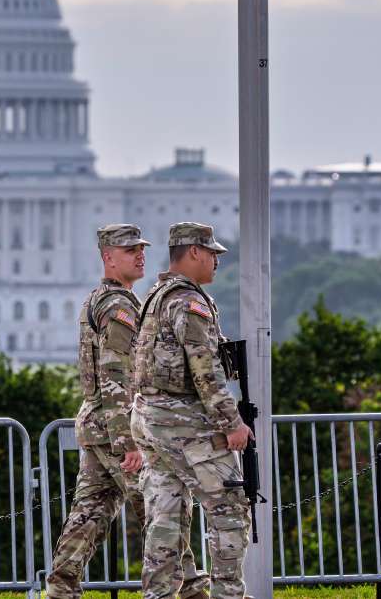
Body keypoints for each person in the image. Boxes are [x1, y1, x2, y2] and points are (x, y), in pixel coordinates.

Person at [46, 225, 209, 599]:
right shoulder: (118, 305)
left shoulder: (101, 299)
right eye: (129, 250)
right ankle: (190, 589)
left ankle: (60, 587)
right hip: (117, 429)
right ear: (107, 257)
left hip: (98, 425)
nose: (139, 255)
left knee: (89, 514)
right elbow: (114, 376)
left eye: (140, 249)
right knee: (161, 508)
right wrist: (128, 442)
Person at [130, 222, 253, 599]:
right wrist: (232, 423)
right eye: (212, 253)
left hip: (149, 416)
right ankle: (228, 594)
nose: (217, 261)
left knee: (165, 514)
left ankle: (159, 595)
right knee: (230, 509)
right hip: (184, 421)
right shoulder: (189, 301)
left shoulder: (157, 294)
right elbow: (204, 368)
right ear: (195, 253)